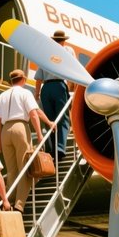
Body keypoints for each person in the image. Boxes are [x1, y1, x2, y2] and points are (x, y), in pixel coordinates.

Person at [0, 70, 53, 213]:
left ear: (11, 80)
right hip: (20, 128)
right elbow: (33, 113)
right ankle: (19, 205)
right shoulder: (25, 93)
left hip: (5, 131)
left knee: (12, 170)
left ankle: (9, 202)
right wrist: (40, 134)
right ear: (24, 79)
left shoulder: (2, 95)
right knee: (25, 168)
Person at [34, 30, 75, 158]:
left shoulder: (45, 53)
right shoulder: (67, 51)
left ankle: (51, 149)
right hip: (59, 86)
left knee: (49, 120)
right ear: (63, 41)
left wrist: (37, 93)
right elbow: (72, 70)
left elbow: (39, 77)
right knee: (62, 118)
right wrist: (70, 87)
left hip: (46, 88)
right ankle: (60, 148)